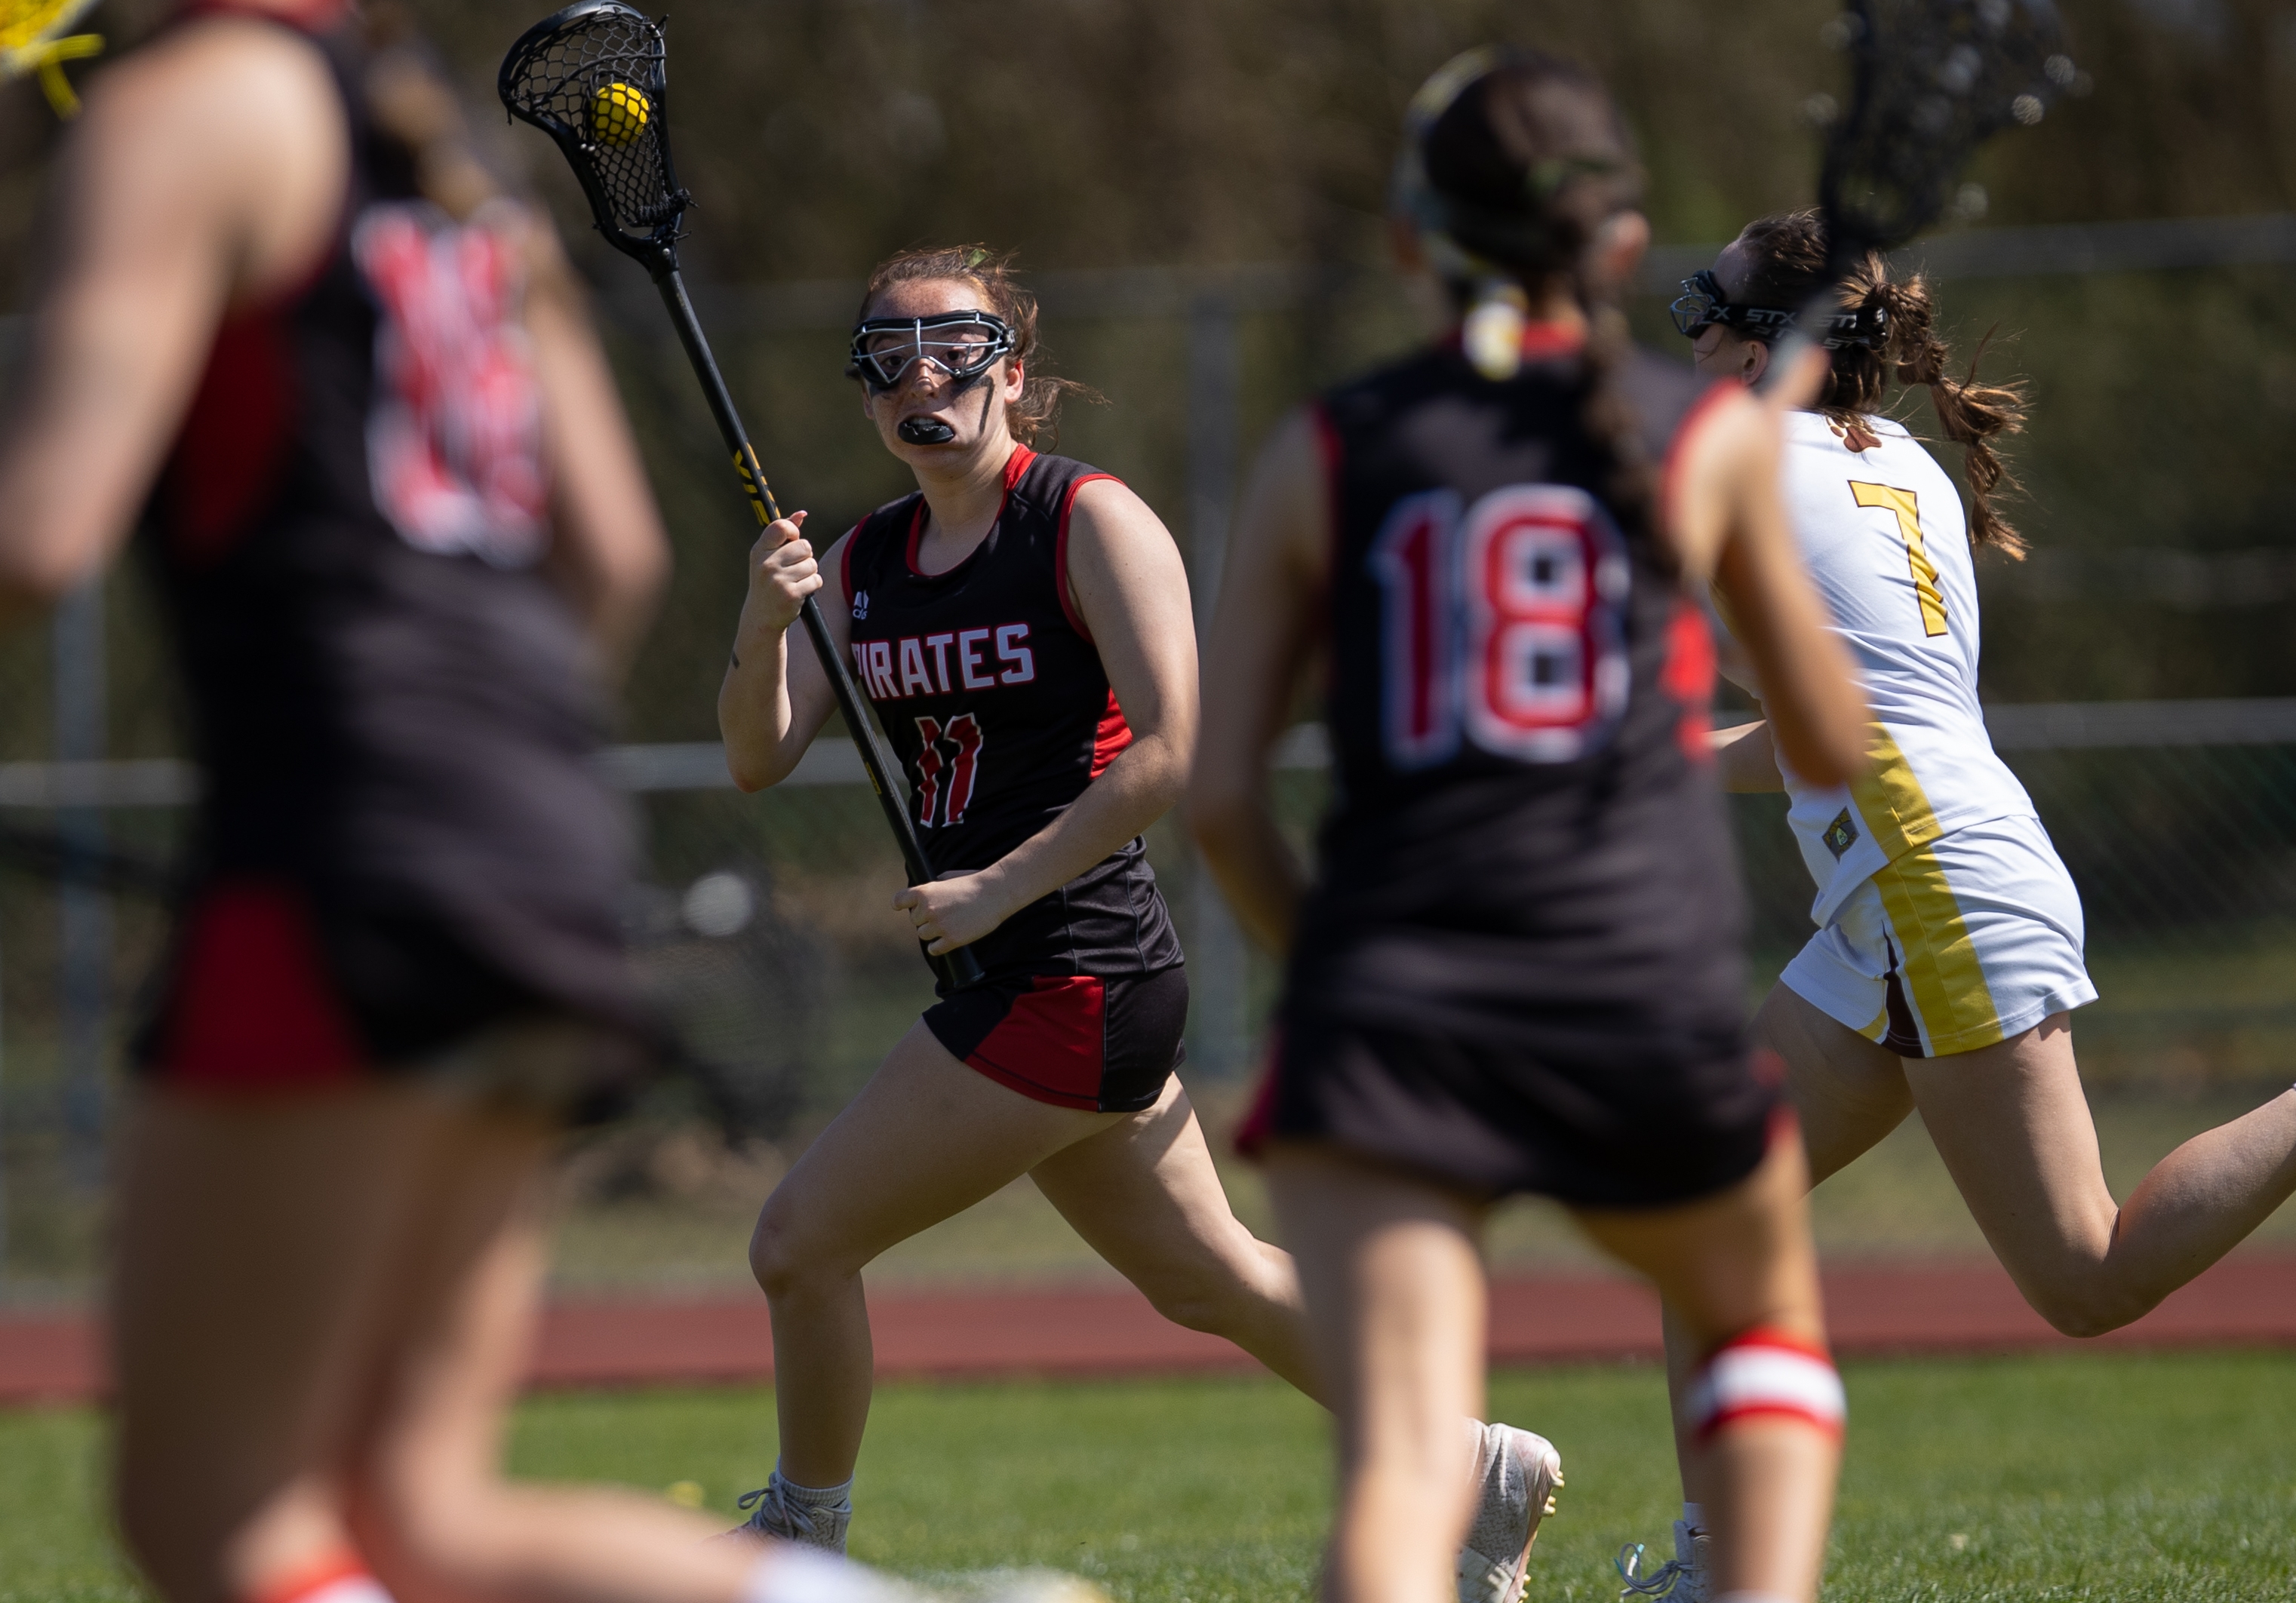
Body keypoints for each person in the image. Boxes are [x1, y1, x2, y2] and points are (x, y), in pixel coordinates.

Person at [0, 8, 1098, 1603]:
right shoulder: (446, 150)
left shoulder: (190, 114)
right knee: (416, 1514)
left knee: (210, 1515)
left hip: (348, 847)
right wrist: (459, 766)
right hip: (526, 835)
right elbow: (610, 559)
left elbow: (30, 531)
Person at [716, 244, 1564, 1602]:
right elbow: (758, 757)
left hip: (1079, 971)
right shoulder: (866, 558)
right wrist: (763, 626)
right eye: (885, 354)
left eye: (952, 346)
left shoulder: (1084, 520)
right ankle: (1473, 1466)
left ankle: (799, 1544)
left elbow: (1173, 750)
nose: (916, 376)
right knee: (1213, 1277)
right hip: (1018, 972)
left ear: (1016, 371)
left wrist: (1000, 885)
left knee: (797, 1239)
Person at [1188, 51, 1871, 1603]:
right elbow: (1839, 737)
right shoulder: (1702, 442)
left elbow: (1223, 795)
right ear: (1624, 251)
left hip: (1391, 1008)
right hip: (1634, 985)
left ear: (1410, 245)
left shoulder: (1327, 447)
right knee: (1758, 1329)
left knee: (1403, 1459)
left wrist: (1339, 958)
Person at [1606, 209, 2296, 1600]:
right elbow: (1843, 724)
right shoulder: (1893, 457)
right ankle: (1722, 1569)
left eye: (1709, 302)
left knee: (2085, 1275)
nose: (1690, 332)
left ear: (1771, 341)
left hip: (1929, 875)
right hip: (1918, 872)